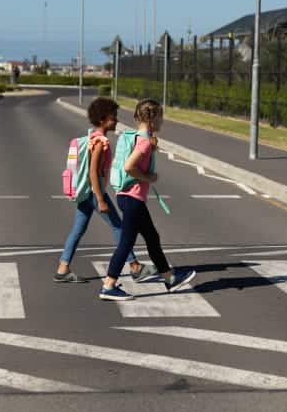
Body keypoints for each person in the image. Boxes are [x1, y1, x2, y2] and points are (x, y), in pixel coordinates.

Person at [99, 98, 195, 301]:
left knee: (152, 237)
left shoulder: (136, 137)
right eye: (161, 117)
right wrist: (148, 177)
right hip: (132, 198)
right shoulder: (143, 143)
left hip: (126, 196)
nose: (163, 121)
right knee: (127, 243)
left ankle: (169, 278)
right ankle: (108, 285)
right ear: (152, 119)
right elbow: (129, 167)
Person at [55, 97, 157, 283]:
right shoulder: (100, 143)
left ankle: (63, 268)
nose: (116, 120)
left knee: (78, 229)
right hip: (95, 192)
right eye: (113, 117)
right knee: (118, 226)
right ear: (102, 120)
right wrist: (101, 199)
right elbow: (93, 172)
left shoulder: (91, 137)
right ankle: (135, 267)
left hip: (87, 192)